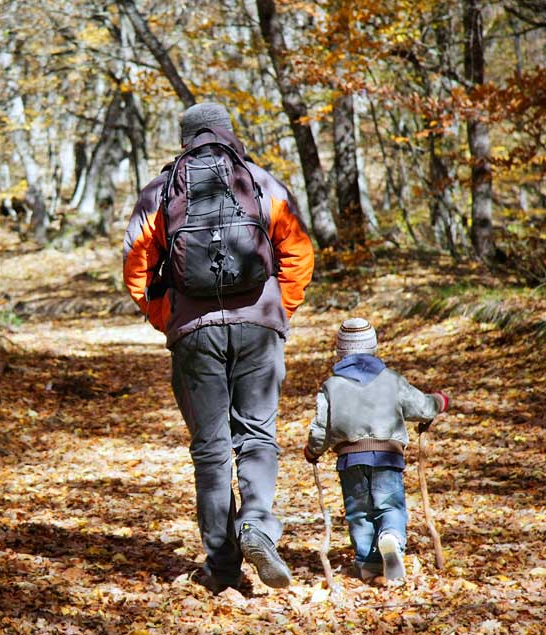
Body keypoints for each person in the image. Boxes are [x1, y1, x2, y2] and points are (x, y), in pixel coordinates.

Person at [123, 102, 314, 594]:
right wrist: (278, 310)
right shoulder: (259, 181)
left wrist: (167, 317)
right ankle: (257, 523)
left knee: (210, 451)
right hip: (259, 329)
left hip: (194, 332)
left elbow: (136, 263)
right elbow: (297, 251)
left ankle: (223, 568)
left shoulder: (163, 190)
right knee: (257, 434)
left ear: (184, 139)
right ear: (230, 133)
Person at [303, 317, 450, 583]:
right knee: (388, 504)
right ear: (373, 347)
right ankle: (391, 537)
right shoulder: (391, 380)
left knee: (359, 512)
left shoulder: (332, 386)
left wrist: (313, 451)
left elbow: (321, 428)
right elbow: (421, 407)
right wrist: (439, 401)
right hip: (387, 456)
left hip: (350, 459)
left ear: (340, 350)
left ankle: (368, 564)